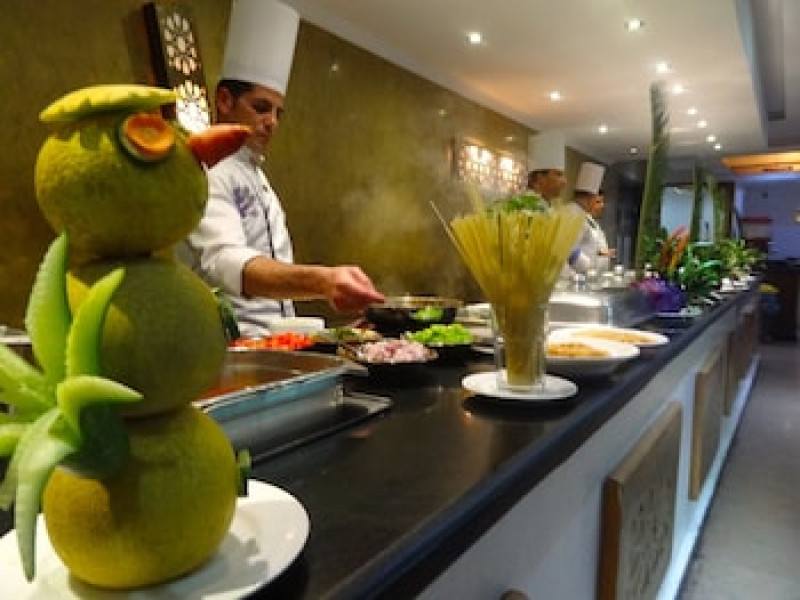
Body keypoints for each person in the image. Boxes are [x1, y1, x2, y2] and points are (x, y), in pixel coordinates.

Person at [178, 0, 384, 337]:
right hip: (234, 347)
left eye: (277, 112)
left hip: (277, 344)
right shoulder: (204, 170)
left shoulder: (257, 176)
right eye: (261, 108)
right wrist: (323, 281)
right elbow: (225, 261)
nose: (272, 122)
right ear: (225, 100)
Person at [570, 162, 615, 274]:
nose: (601, 205)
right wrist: (588, 267)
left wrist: (600, 253)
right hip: (577, 277)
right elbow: (570, 250)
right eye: (597, 201)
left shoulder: (585, 217)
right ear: (589, 197)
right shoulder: (573, 215)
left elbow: (588, 246)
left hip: (590, 277)